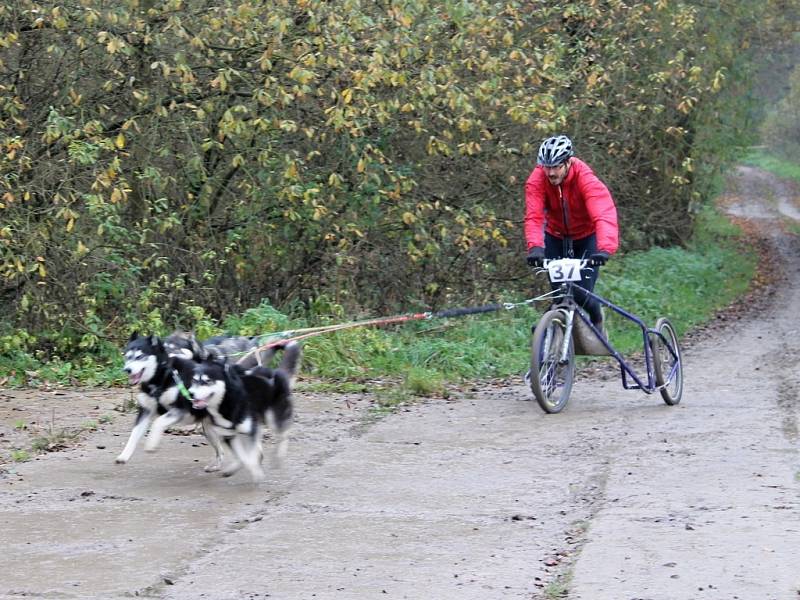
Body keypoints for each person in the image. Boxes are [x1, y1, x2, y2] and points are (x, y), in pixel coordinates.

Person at [524, 134, 619, 329]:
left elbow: (603, 213)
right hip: (555, 236)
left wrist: (604, 249)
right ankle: (551, 340)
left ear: (568, 163)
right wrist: (535, 247)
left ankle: (596, 316)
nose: (550, 173)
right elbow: (534, 216)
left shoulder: (585, 179)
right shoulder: (537, 180)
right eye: (547, 167)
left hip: (586, 236)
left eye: (556, 166)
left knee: (580, 293)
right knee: (559, 295)